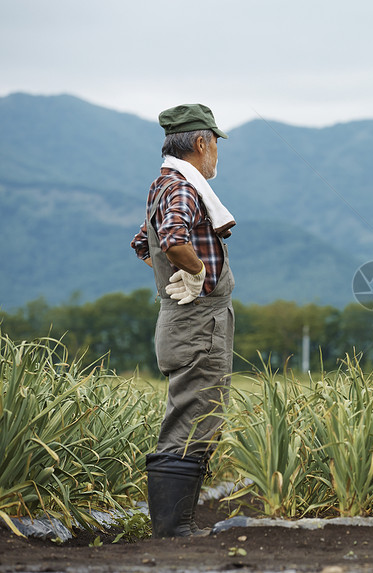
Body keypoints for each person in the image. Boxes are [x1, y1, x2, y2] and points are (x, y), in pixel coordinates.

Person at [131, 103, 236, 537]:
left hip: (184, 319)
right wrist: (193, 276)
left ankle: (178, 524)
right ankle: (176, 529)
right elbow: (172, 241)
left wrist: (171, 280)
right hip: (197, 323)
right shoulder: (182, 187)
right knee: (193, 419)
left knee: (192, 414)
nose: (216, 156)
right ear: (200, 142)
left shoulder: (165, 183)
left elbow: (143, 243)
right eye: (215, 146)